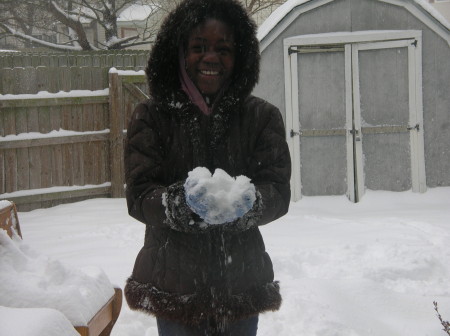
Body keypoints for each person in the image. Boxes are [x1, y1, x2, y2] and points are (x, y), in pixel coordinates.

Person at [123, 0, 291, 335]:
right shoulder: (151, 116)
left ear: (239, 56)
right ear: (179, 53)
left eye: (223, 48)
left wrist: (250, 203)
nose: (210, 57)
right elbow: (140, 194)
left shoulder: (261, 117)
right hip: (174, 285)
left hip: (240, 283)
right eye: (198, 47)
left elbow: (278, 190)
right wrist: (179, 205)